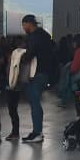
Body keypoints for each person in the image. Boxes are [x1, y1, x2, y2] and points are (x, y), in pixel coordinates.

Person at [20, 14, 54, 144]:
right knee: (35, 102)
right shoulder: (45, 35)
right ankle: (37, 131)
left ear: (29, 23)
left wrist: (22, 57)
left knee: (34, 102)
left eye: (24, 25)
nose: (23, 28)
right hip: (45, 72)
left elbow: (30, 54)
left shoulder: (34, 37)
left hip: (36, 73)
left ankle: (37, 132)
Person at [5, 36, 30, 141]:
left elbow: (10, 70)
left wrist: (10, 82)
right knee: (13, 109)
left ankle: (15, 132)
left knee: (12, 109)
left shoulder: (15, 55)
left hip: (14, 84)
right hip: (23, 83)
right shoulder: (27, 54)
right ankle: (15, 132)